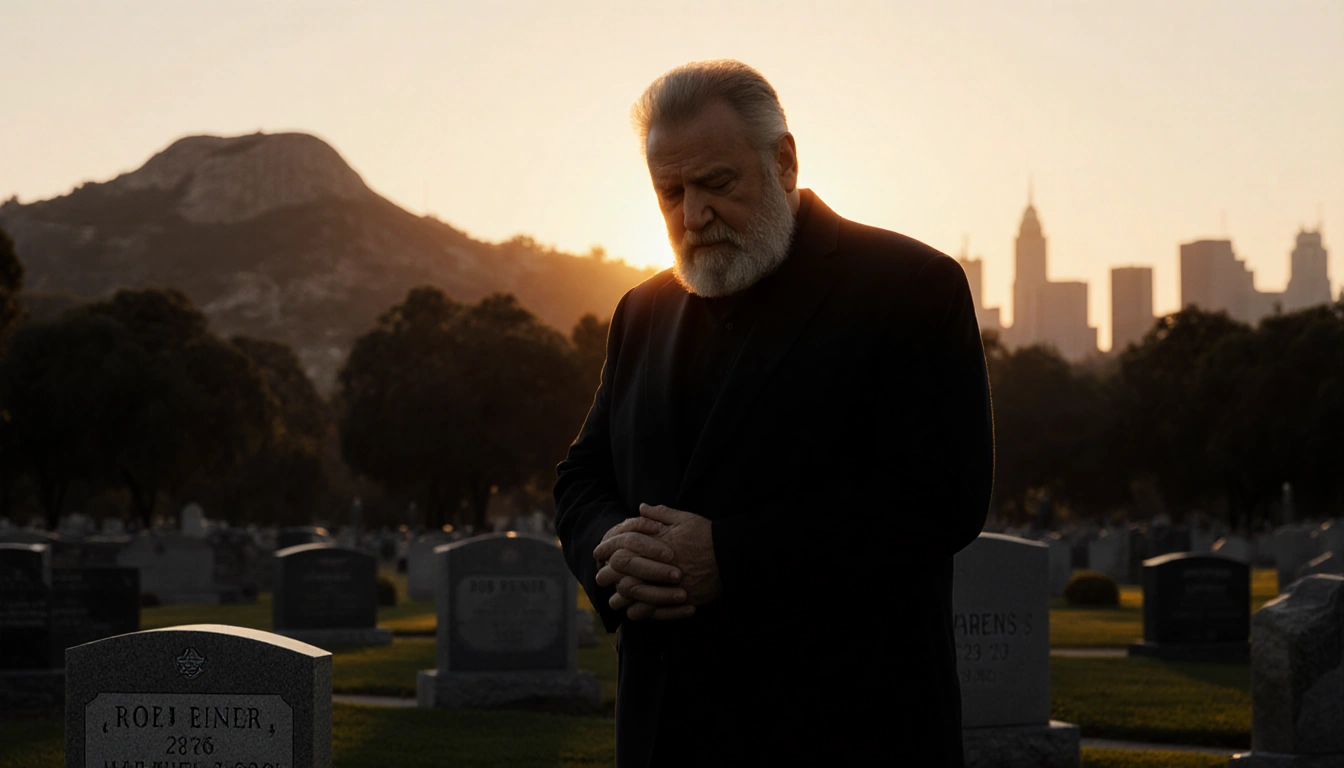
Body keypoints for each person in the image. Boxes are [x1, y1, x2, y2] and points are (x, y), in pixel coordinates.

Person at [554, 59, 994, 767]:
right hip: (665, 734)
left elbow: (941, 496)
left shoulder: (912, 286)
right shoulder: (641, 312)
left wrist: (731, 555)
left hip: (847, 729)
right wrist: (612, 550)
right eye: (670, 193)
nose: (692, 215)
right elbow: (582, 476)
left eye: (716, 184)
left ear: (783, 160)